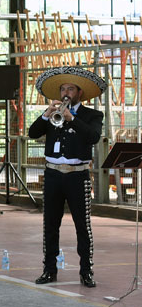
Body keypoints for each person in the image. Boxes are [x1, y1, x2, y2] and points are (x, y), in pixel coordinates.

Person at [28, 66, 106, 288]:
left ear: (79, 93)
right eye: (63, 89)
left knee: (83, 226)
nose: (66, 93)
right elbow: (32, 133)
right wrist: (45, 116)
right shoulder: (53, 112)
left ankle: (86, 271)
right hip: (52, 174)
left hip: (77, 176)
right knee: (50, 225)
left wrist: (72, 118)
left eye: (70, 89)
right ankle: (49, 270)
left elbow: (93, 137)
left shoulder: (92, 115)